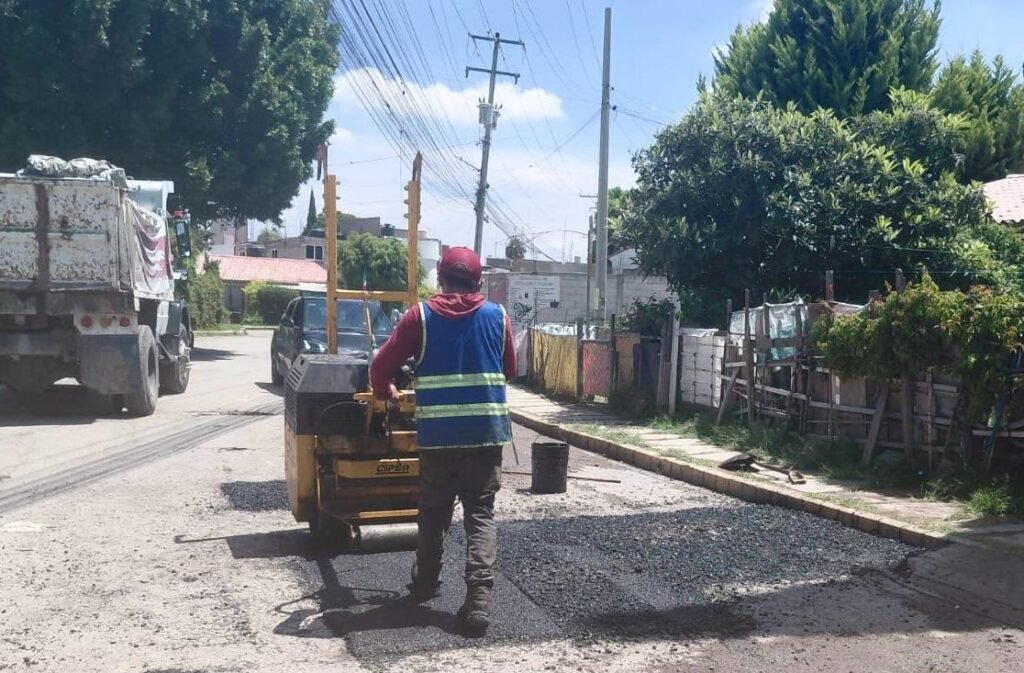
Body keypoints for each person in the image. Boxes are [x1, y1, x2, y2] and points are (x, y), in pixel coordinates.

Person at [371, 246, 515, 636]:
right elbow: (511, 368)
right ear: (478, 281)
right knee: (480, 514)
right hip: (485, 438)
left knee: (434, 514)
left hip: (438, 440)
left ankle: (425, 584)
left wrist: (386, 390)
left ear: (441, 278)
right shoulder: (498, 316)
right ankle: (479, 599)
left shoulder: (420, 317)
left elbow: (381, 366)